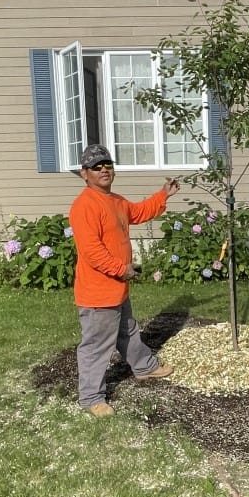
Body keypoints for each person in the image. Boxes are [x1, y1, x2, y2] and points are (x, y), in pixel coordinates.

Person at [69, 144, 181, 417]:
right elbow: (92, 251)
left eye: (107, 164)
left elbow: (139, 212)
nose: (104, 169)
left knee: (127, 330)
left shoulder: (116, 201)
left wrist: (163, 194)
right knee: (97, 346)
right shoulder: (84, 206)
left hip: (117, 289)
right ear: (85, 174)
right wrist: (121, 269)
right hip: (98, 293)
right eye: (96, 166)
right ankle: (91, 397)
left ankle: (144, 367)